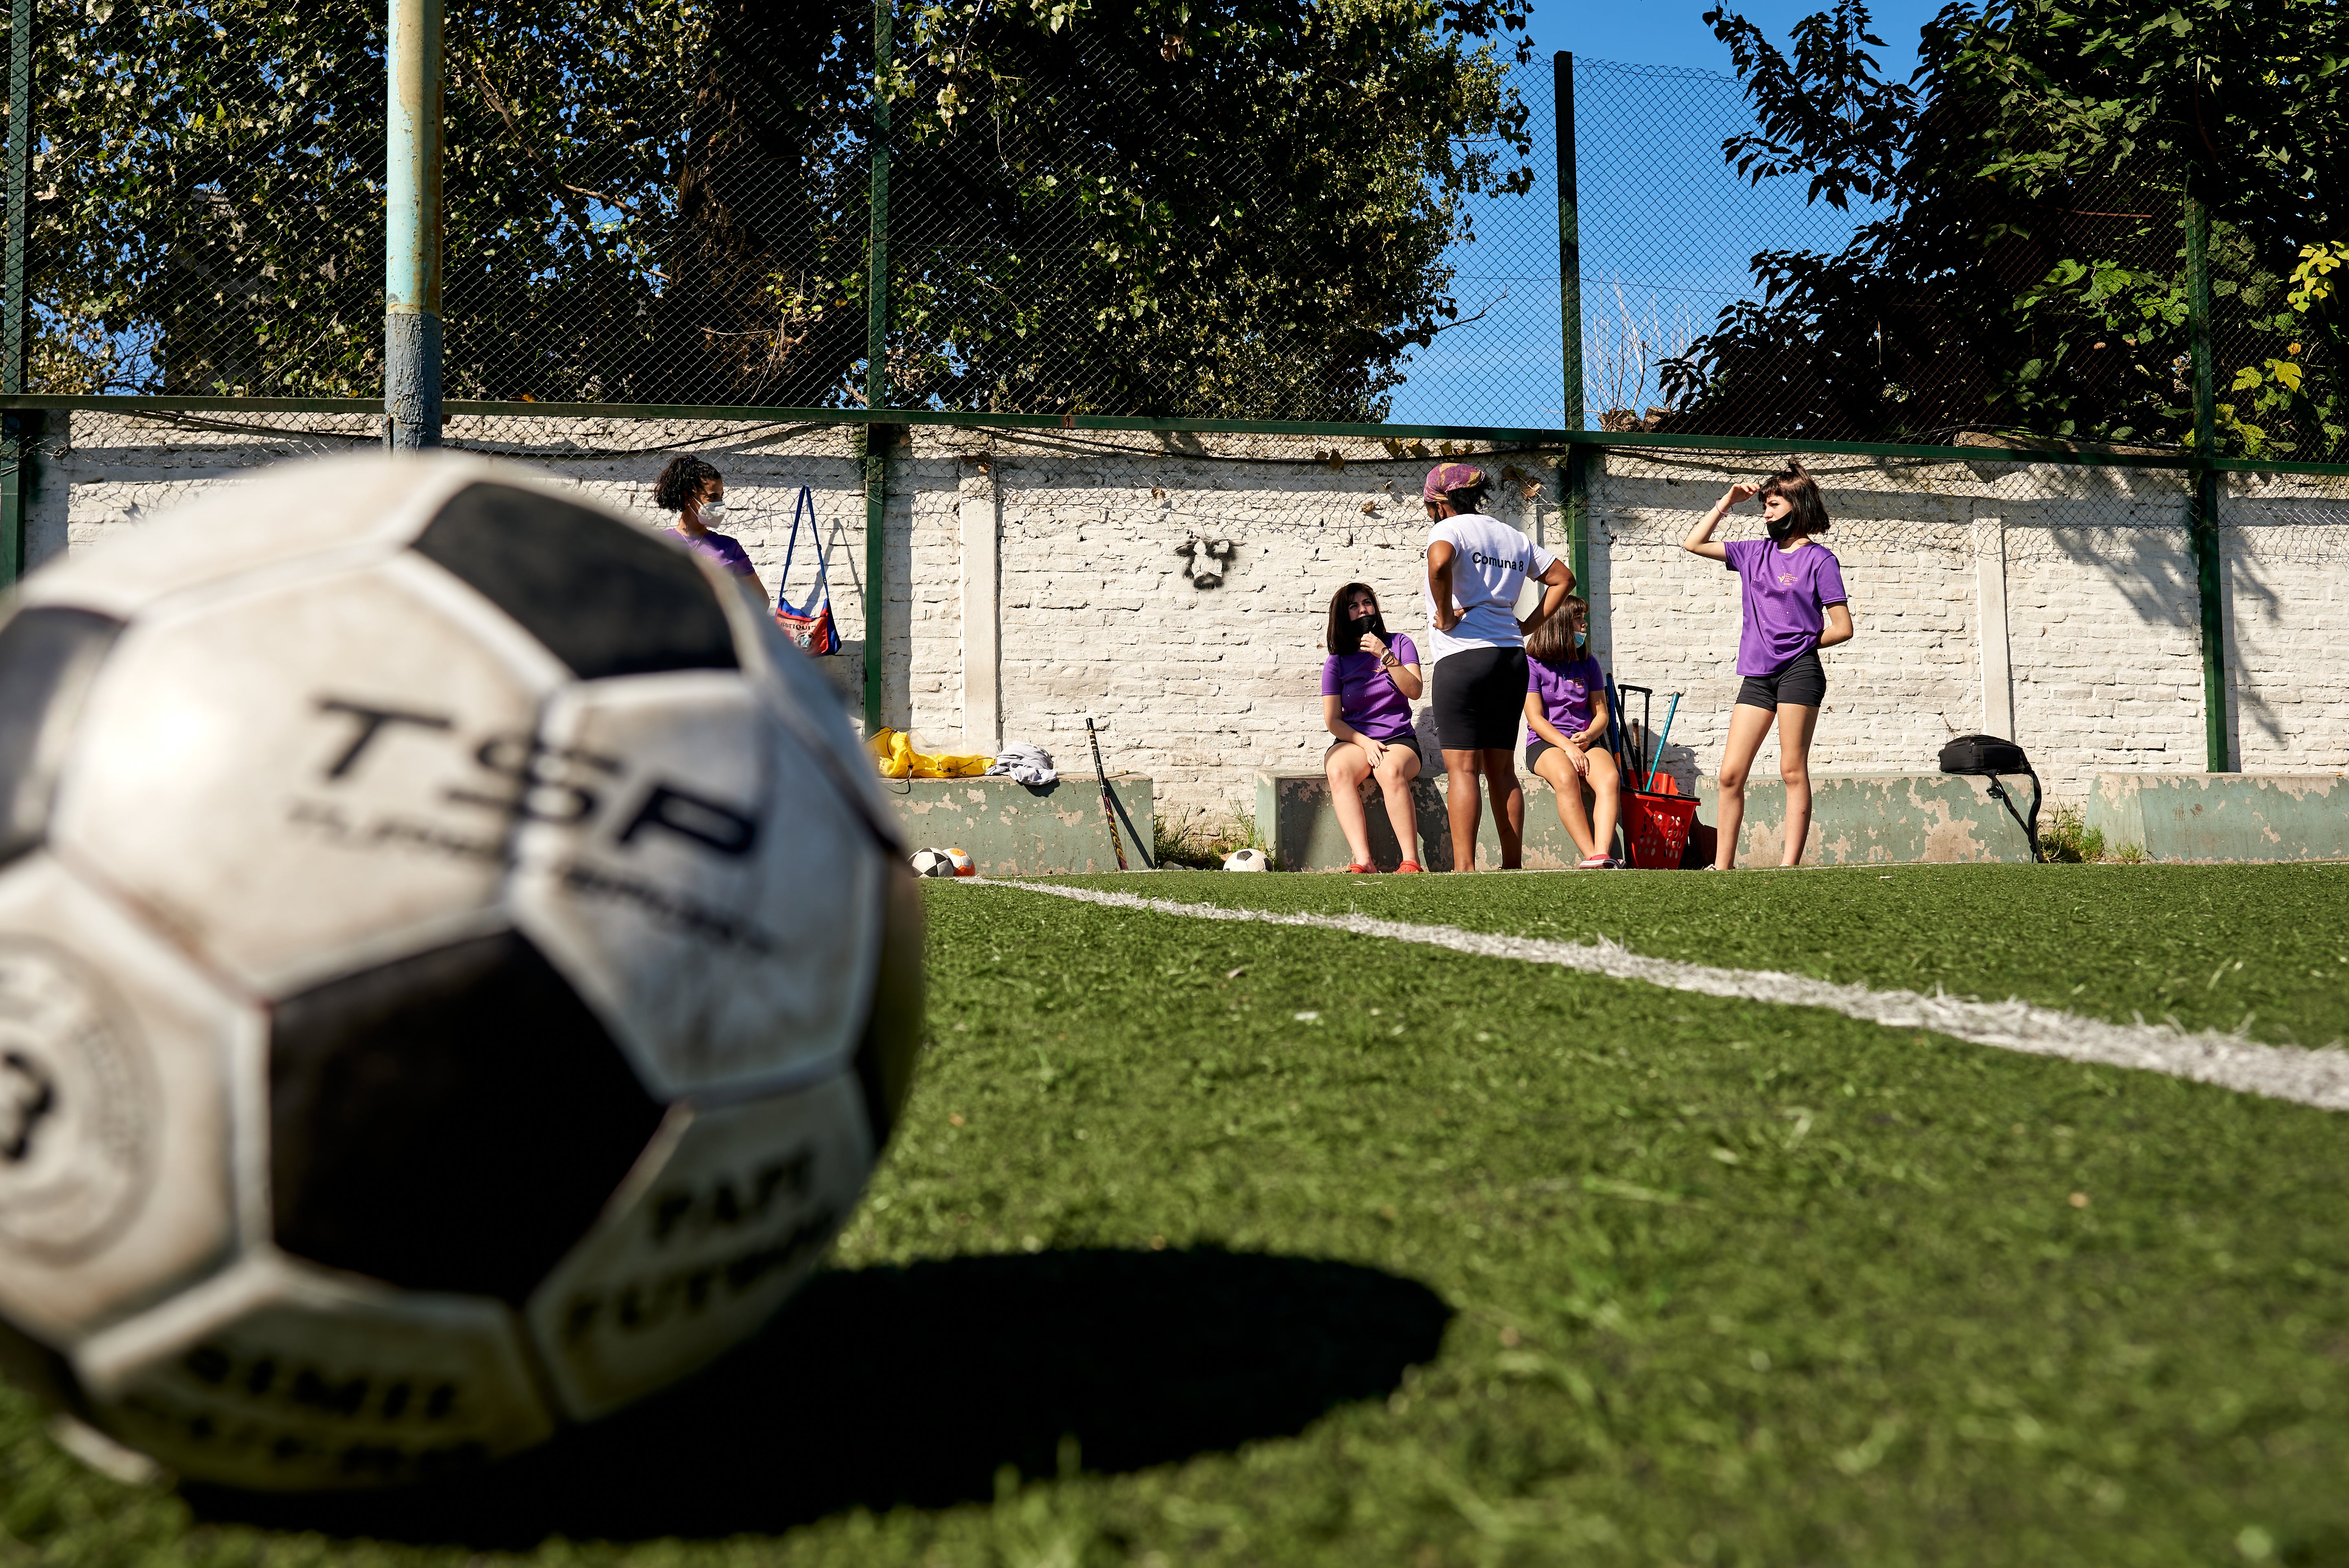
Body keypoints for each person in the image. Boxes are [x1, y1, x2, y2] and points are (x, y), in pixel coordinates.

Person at [1682, 462, 1855, 868]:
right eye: (1763, 506)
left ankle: (1787, 868)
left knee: (1791, 769)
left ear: (1796, 505)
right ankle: (1722, 868)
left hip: (1800, 672)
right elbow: (1693, 543)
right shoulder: (1752, 552)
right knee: (1729, 775)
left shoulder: (1820, 560)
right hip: (1757, 677)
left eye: (1773, 505)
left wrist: (1799, 644)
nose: (1766, 513)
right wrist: (1727, 502)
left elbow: (1842, 627)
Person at [1422, 462, 1573, 872]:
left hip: (1463, 656)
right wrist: (1527, 625)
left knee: (1463, 771)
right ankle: (1511, 865)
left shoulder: (1447, 529)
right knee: (1502, 769)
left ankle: (1464, 868)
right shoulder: (1511, 535)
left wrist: (1445, 613)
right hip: (1510, 657)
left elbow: (1439, 564)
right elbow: (1564, 578)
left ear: (1441, 502)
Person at [1319, 582, 1426, 874]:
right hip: (1356, 742)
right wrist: (1365, 743)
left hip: (1399, 740)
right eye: (1354, 606)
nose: (1363, 609)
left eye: (1367, 603)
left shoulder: (1400, 643)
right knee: (1338, 769)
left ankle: (1410, 861)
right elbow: (1333, 721)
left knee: (1389, 770)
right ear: (1344, 616)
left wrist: (1385, 655)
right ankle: (1364, 861)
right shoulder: (1337, 662)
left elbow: (1414, 690)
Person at [1522, 595, 1621, 867]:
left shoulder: (1588, 664)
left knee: (1610, 778)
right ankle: (1591, 855)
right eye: (1578, 619)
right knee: (1566, 777)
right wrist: (1567, 747)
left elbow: (1602, 714)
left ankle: (1603, 854)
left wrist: (1588, 737)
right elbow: (1535, 718)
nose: (1584, 625)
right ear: (1560, 624)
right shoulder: (1531, 664)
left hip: (1585, 741)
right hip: (1546, 743)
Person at [653, 454, 768, 601]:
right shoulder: (660, 544)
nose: (720, 504)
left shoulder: (729, 547)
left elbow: (760, 600)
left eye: (721, 497)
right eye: (712, 497)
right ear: (688, 497)